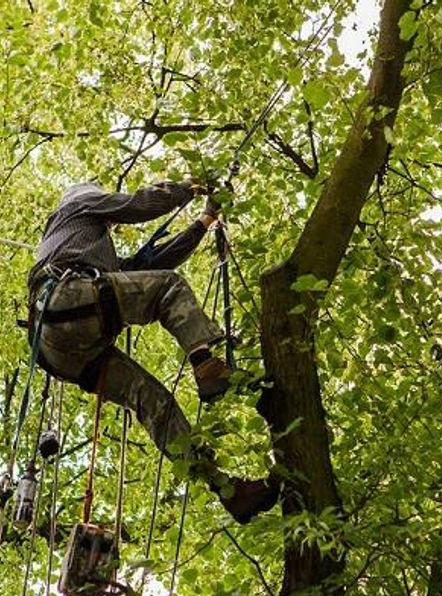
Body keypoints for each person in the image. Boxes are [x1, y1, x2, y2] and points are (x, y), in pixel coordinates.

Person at [26, 177, 279, 524]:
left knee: (152, 400)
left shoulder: (99, 260)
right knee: (169, 289)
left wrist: (204, 221)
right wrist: (190, 186)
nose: (112, 222)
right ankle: (205, 366)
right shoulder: (77, 207)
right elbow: (136, 206)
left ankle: (225, 488)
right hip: (67, 297)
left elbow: (155, 265)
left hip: (61, 350)